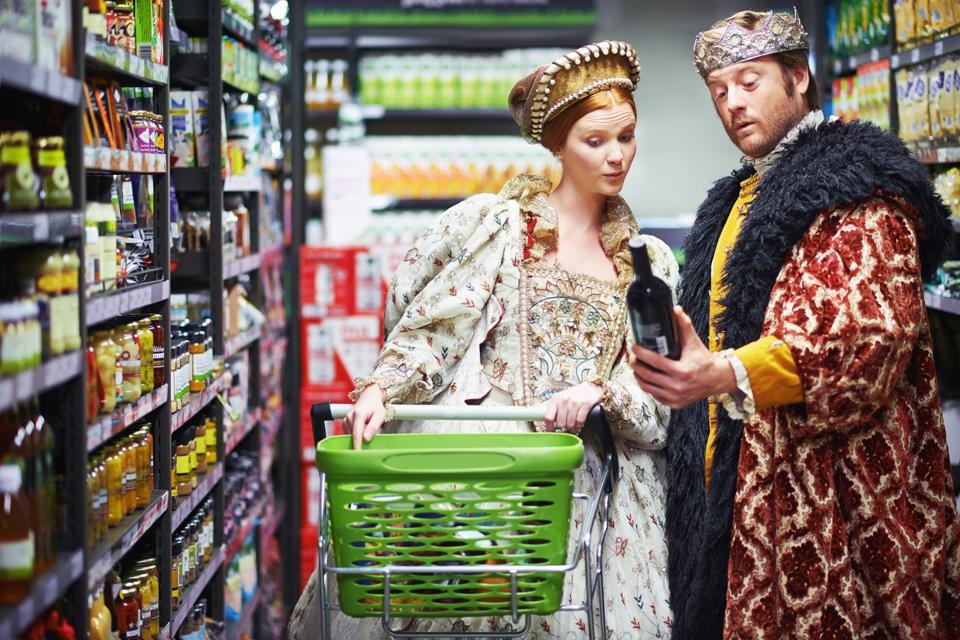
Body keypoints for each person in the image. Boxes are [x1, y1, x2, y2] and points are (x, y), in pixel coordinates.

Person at [289, 41, 677, 639]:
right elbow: (437, 326)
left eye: (625, 136)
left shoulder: (647, 262)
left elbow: (655, 389)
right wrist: (381, 389)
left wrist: (602, 392)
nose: (616, 156)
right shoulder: (501, 230)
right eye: (594, 141)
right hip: (494, 478)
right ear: (558, 145)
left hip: (597, 488)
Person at [629, 8, 960, 640]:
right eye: (719, 90)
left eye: (750, 81)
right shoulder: (737, 200)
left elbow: (865, 342)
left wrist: (723, 372)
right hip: (750, 510)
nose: (732, 103)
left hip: (844, 516)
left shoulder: (857, 190)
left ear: (799, 76)